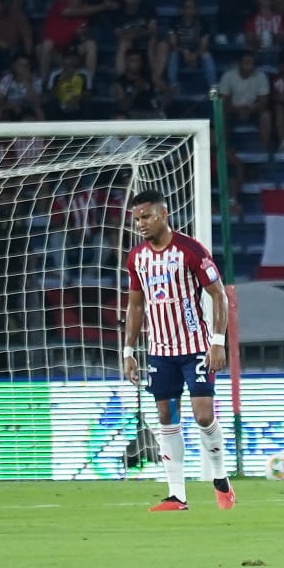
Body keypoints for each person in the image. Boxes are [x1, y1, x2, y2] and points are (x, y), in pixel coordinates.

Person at [121, 189, 234, 512]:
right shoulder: (137, 258)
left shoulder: (190, 250)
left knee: (203, 415)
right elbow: (136, 304)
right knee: (165, 416)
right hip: (160, 351)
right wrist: (129, 350)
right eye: (137, 219)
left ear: (163, 215)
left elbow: (218, 295)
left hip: (196, 347)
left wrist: (217, 341)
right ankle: (176, 495)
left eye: (146, 216)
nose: (141, 224)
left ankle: (220, 477)